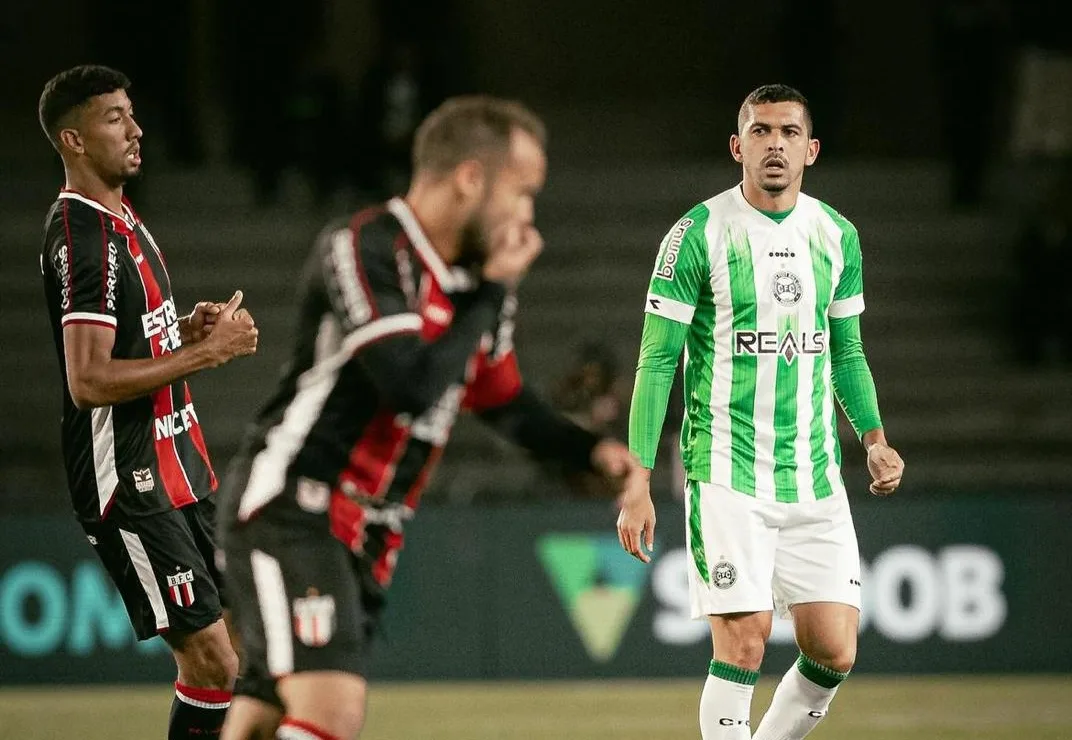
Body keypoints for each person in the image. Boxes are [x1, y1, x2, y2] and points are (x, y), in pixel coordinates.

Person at [217, 96, 643, 740]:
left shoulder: (477, 285)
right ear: (471, 179)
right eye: (522, 193)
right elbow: (409, 384)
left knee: (264, 718)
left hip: (367, 533)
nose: (528, 216)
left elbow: (501, 401)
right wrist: (493, 290)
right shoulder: (364, 247)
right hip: (294, 506)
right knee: (332, 710)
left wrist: (590, 452)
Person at [617, 84, 905, 740]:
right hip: (726, 471)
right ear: (736, 146)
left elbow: (846, 351)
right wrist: (636, 481)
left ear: (812, 149)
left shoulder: (837, 236)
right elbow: (656, 363)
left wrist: (874, 438)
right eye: (761, 130)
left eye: (788, 132)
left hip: (815, 476)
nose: (775, 143)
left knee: (835, 651)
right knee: (744, 644)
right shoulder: (696, 234)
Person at [37, 65, 259, 739]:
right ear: (73, 140)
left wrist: (180, 330)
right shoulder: (85, 238)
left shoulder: (122, 217)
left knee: (242, 650)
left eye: (132, 114)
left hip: (178, 469)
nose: (136, 129)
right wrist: (208, 354)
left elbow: (127, 342)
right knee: (211, 658)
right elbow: (89, 381)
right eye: (114, 118)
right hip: (126, 478)